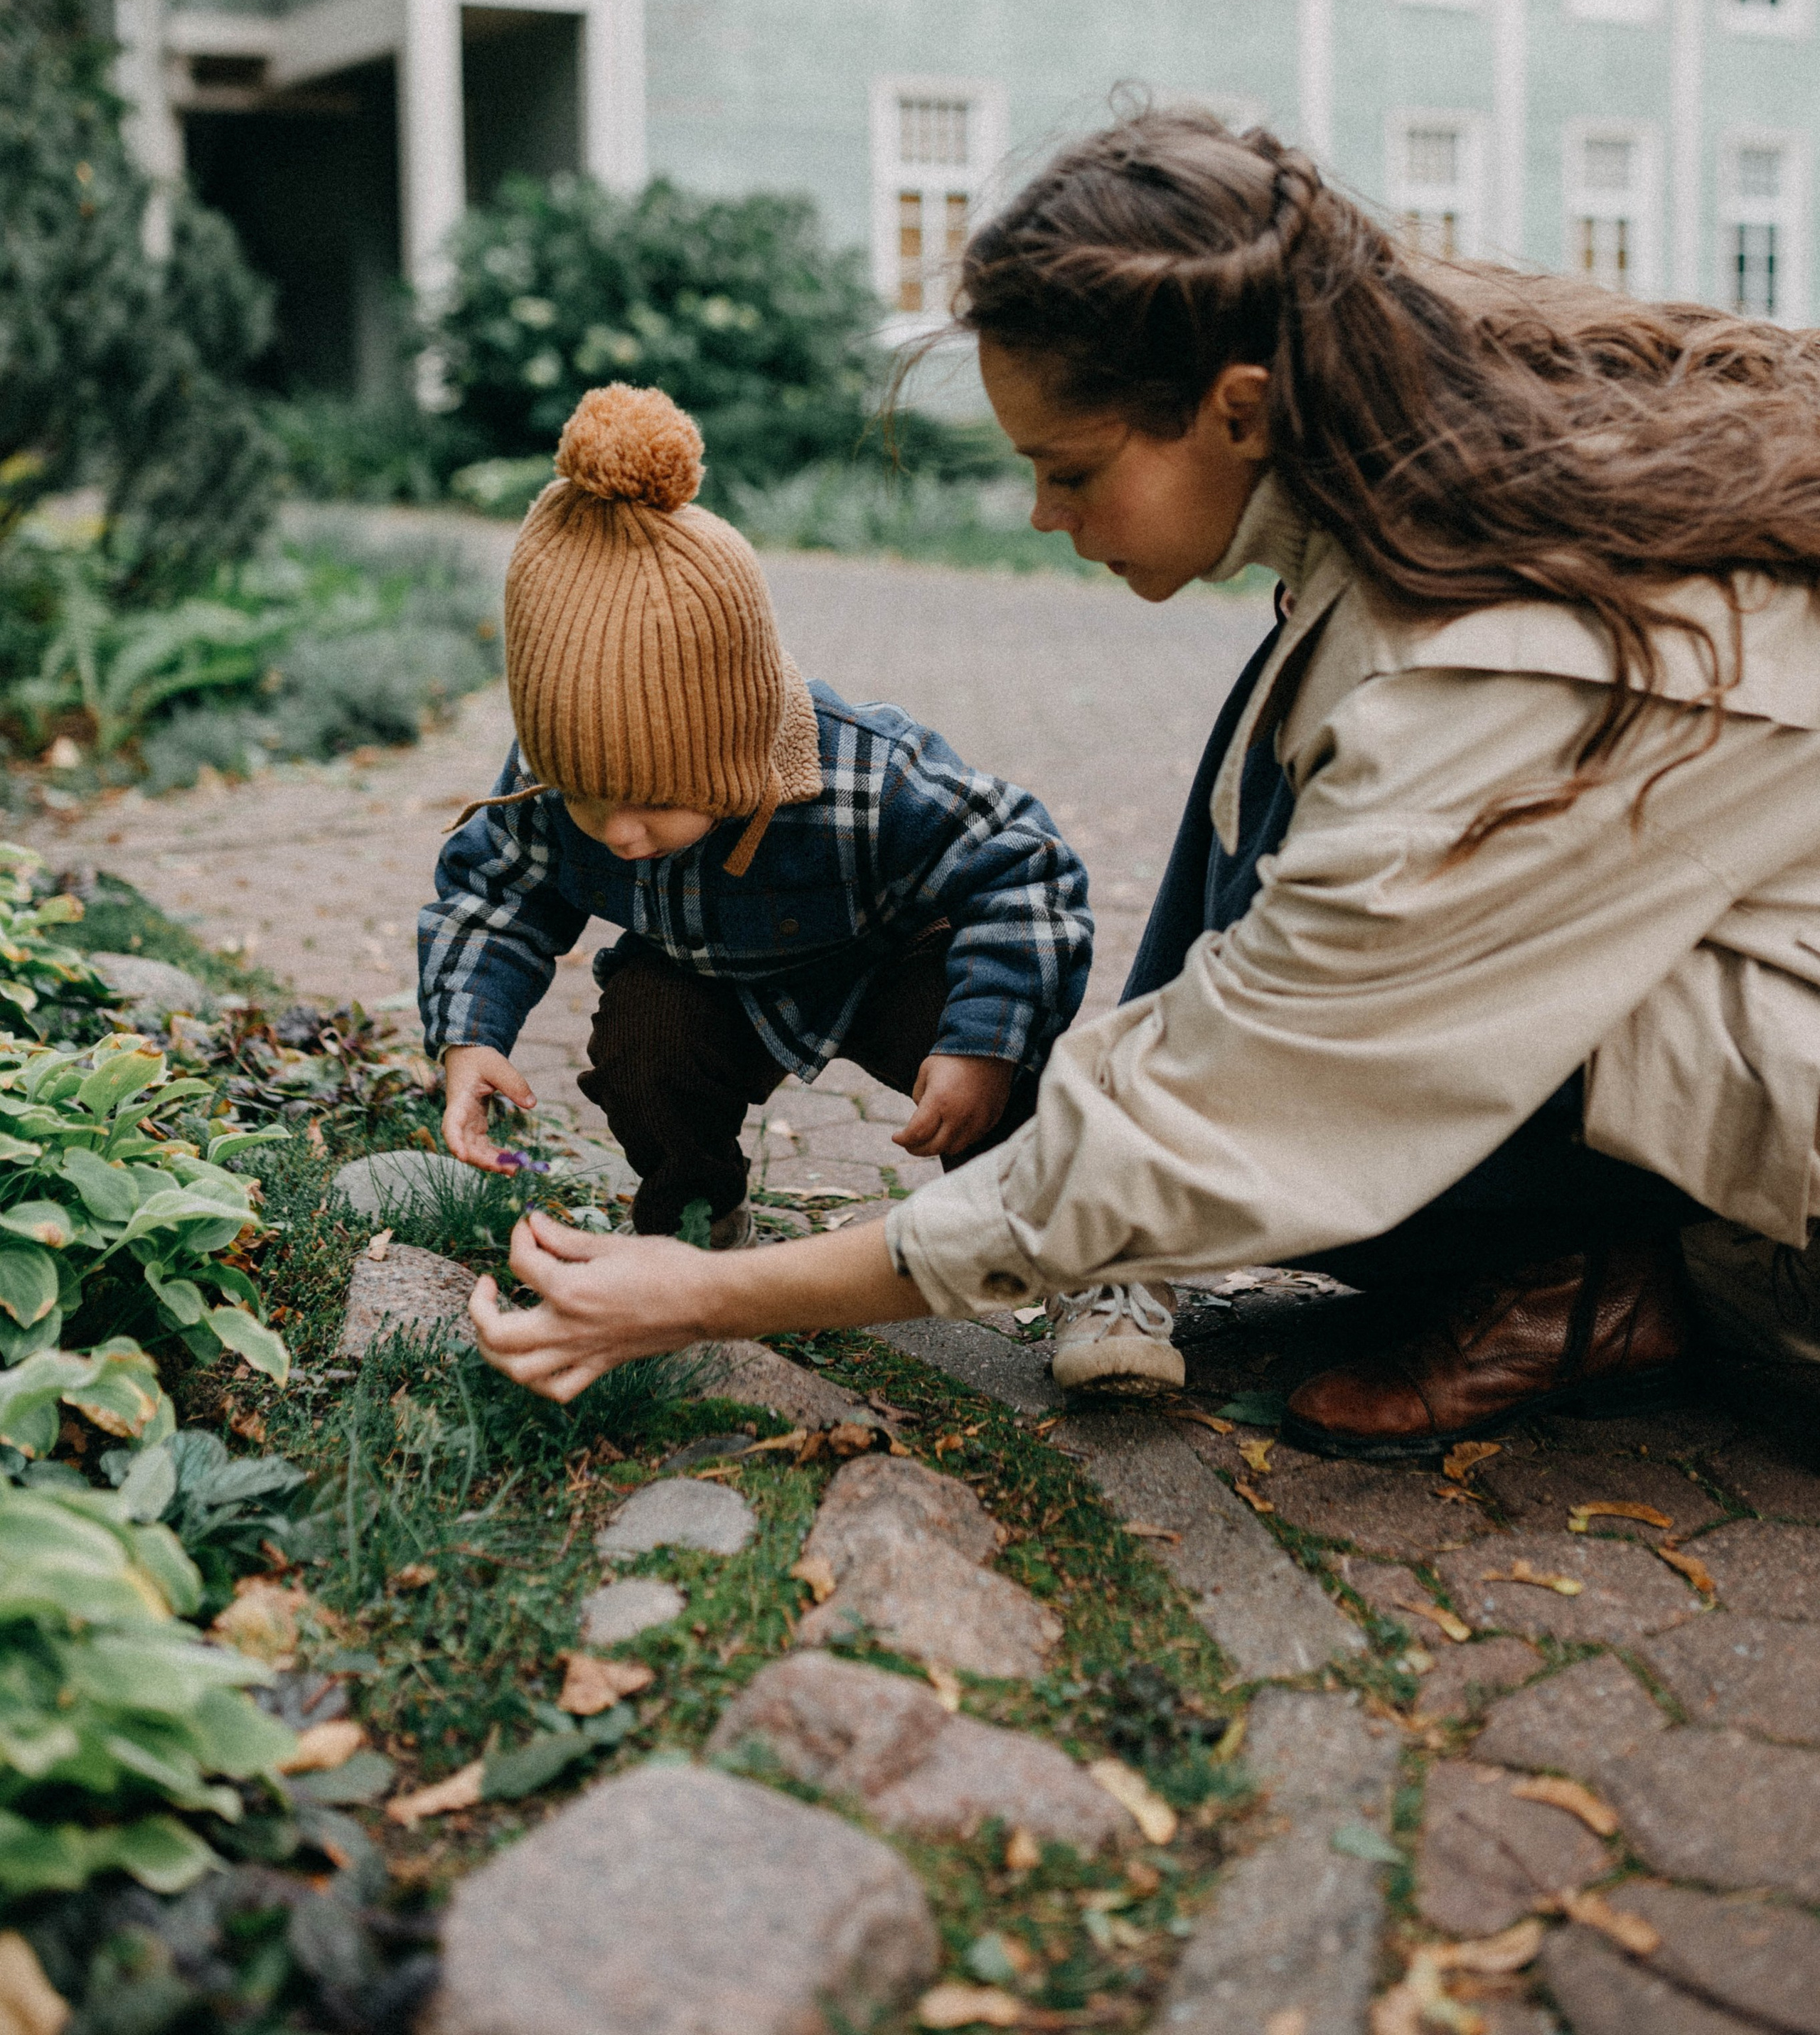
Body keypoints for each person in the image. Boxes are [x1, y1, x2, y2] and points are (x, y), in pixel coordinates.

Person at [467, 112, 1820, 1453]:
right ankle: (1563, 1259)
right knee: (1285, 748)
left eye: (1072, 469)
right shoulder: (1400, 473)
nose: (1046, 517)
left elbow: (1224, 1118)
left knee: (1270, 1118)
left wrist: (712, 1298)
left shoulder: (1475, 681)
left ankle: (1593, 1283)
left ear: (1236, 409)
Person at [422, 382, 1140, 1370]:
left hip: (888, 961)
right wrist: (470, 1037)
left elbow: (1027, 866)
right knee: (643, 1044)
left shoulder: (867, 777)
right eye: (589, 799)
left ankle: (1096, 1255)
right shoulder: (563, 783)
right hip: (708, 978)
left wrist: (986, 1044)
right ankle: (697, 1223)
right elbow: (491, 891)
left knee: (1001, 1080)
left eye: (652, 800)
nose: (619, 832)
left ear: (731, 739)